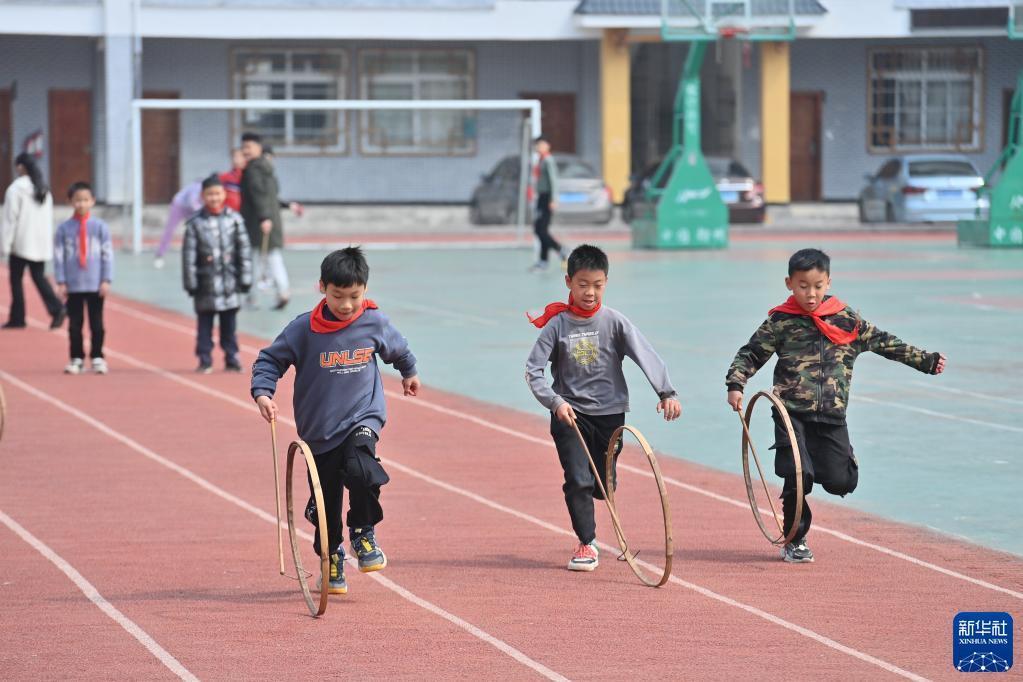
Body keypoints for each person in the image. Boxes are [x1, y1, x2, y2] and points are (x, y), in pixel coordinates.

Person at [726, 248, 946, 564]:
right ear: (789, 283)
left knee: (840, 481)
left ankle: (841, 462)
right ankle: (795, 539)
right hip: (790, 412)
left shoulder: (847, 321)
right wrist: (736, 383)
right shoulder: (780, 321)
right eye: (803, 286)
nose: (810, 293)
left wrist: (926, 361)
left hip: (831, 415)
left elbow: (886, 343)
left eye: (817, 285)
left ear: (828, 282)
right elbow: (750, 353)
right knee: (798, 474)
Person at [251, 247, 421, 595]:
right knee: (327, 504)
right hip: (319, 428)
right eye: (338, 296)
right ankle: (331, 557)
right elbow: (270, 361)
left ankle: (362, 532)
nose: (346, 305)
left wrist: (409, 372)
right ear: (322, 288)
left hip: (363, 416)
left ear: (365, 290)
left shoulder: (373, 321)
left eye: (355, 296)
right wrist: (263, 393)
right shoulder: (303, 329)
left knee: (362, 469)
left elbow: (398, 349)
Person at [525, 244, 681, 571]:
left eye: (597, 285)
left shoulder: (615, 322)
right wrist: (555, 402)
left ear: (606, 282)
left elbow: (645, 354)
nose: (590, 292)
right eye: (583, 285)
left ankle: (603, 487)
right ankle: (586, 542)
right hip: (570, 415)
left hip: (611, 414)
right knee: (578, 478)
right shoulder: (557, 326)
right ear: (569, 282)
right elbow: (533, 371)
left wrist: (666, 391)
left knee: (602, 484)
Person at [182, 175, 252, 373]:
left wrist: (245, 278)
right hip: (205, 284)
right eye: (209, 194)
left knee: (229, 324)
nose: (214, 198)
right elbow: (189, 255)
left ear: (224, 195)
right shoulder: (195, 223)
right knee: (204, 326)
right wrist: (191, 282)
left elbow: (244, 251)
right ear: (203, 196)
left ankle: (232, 357)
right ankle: (205, 358)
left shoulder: (235, 220)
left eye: (217, 193)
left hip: (230, 282)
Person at [53, 182, 114, 375]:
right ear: (70, 201)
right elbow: (58, 256)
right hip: (73, 285)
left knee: (97, 323)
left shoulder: (100, 228)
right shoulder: (63, 229)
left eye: (85, 200)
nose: (81, 204)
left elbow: (107, 255)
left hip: (95, 284)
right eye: (77, 200)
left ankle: (97, 356)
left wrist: (106, 279)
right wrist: (61, 281)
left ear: (93, 201)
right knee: (75, 324)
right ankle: (76, 357)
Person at [1, 153, 64, 329]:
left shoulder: (16, 189)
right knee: (38, 277)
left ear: (20, 167)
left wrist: (4, 245)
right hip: (39, 243)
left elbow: (10, 219)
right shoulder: (43, 188)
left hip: (20, 243)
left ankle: (18, 317)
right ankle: (56, 308)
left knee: (16, 279)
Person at [240, 132, 290, 310]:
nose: (245, 150)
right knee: (273, 257)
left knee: (253, 259)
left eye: (249, 146)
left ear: (258, 147)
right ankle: (283, 291)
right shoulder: (268, 168)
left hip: (258, 221)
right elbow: (272, 194)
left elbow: (258, 194)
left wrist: (263, 217)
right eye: (243, 147)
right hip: (270, 219)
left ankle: (252, 296)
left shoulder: (253, 169)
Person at [528, 137, 567, 273]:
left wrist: (553, 199)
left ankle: (559, 250)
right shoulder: (540, 160)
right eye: (537, 145)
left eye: (541, 144)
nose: (538, 147)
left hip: (547, 197)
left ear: (547, 145)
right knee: (539, 229)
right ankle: (544, 260)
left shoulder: (548, 160)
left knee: (541, 230)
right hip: (541, 197)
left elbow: (553, 180)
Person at [154, 180, 203, 269]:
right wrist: (201, 210)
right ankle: (159, 255)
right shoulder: (198, 187)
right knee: (170, 230)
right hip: (179, 206)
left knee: (198, 229)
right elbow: (192, 202)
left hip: (191, 209)